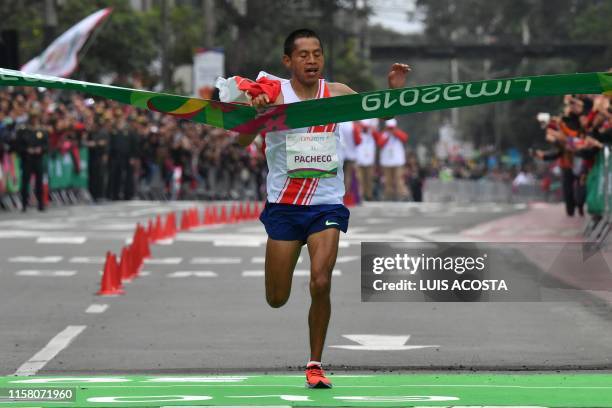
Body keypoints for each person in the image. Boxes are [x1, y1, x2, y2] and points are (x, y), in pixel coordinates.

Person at [237, 28, 410, 388]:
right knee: (276, 298)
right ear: (288, 61)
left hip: (326, 203)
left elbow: (378, 115)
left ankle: (315, 363)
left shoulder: (336, 93)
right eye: (303, 54)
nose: (312, 60)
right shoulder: (270, 95)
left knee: (320, 280)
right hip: (284, 205)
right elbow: (241, 141)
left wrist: (394, 90)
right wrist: (257, 116)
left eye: (317, 53)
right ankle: (301, 331)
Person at [16, 111, 48, 211]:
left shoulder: (42, 131)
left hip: (38, 159)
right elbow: (18, 145)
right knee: (25, 182)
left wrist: (41, 149)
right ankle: (24, 204)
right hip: (27, 159)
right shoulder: (23, 130)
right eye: (32, 118)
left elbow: (46, 145)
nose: (34, 120)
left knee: (39, 182)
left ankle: (41, 204)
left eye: (36, 118)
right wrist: (26, 150)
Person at [379, 119, 409, 200]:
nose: (390, 129)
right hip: (387, 162)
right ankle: (389, 197)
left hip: (398, 161)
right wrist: (388, 135)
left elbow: (405, 138)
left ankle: (402, 196)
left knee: (399, 179)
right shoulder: (384, 134)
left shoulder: (398, 133)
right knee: (388, 180)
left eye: (392, 128)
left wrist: (395, 132)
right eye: (389, 128)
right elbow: (380, 143)